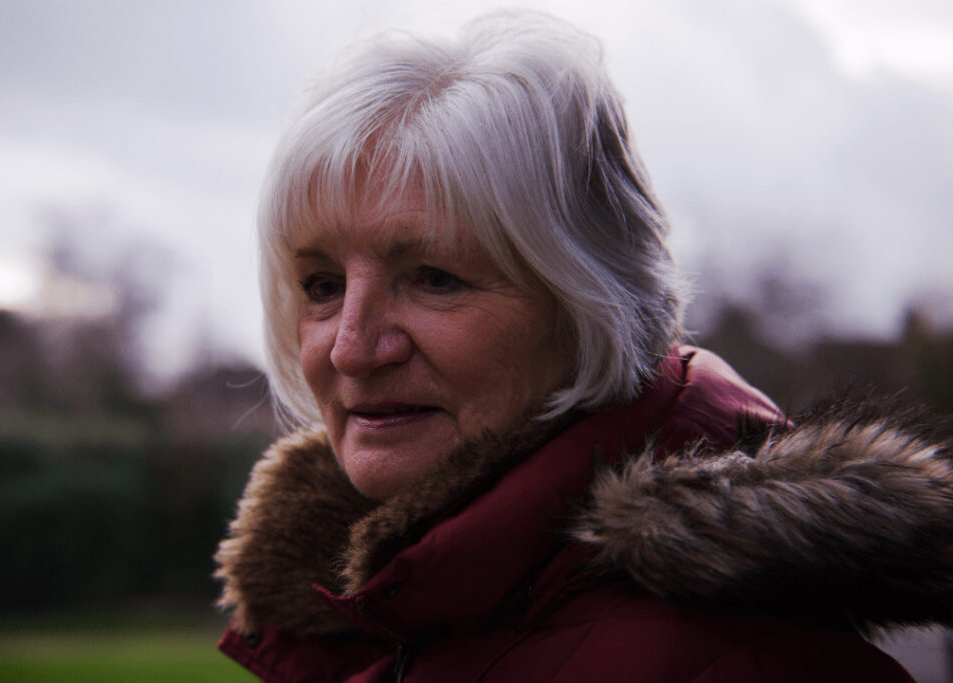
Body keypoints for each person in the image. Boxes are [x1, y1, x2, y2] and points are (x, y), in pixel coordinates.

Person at [215, 11, 951, 682]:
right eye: (320, 284)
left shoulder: (746, 662)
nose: (350, 348)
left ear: (587, 300)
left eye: (434, 277)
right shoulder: (375, 618)